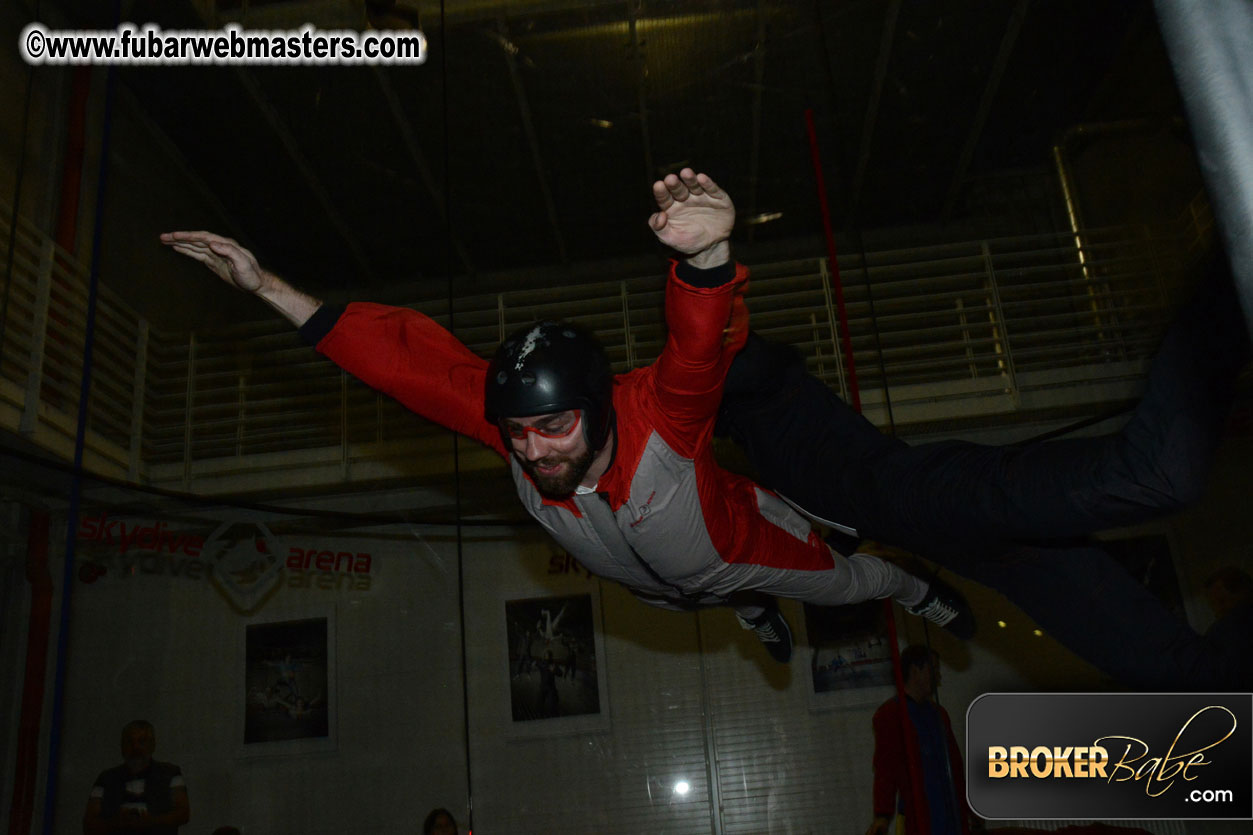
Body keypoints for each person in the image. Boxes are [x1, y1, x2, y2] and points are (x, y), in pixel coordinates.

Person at [162, 168, 971, 665]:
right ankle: (746, 611)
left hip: (734, 547)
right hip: (647, 585)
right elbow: (402, 364)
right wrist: (267, 284)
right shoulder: (516, 432)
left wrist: (705, 258)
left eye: (551, 428)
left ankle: (914, 587)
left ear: (593, 407)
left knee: (841, 580)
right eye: (516, 431)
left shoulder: (657, 417)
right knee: (680, 600)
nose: (531, 449)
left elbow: (695, 349)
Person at [715, 250, 1253, 688]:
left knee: (1154, 475)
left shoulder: (764, 393)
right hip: (974, 551)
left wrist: (700, 264)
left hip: (923, 492)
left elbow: (720, 335)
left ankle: (1233, 258)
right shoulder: (757, 451)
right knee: (1186, 676)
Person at [867, 646, 974, 835]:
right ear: (915, 670)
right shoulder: (891, 715)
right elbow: (886, 770)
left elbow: (955, 767)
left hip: (951, 819)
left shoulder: (939, 714)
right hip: (919, 818)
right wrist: (882, 816)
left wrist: (969, 808)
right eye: (933, 668)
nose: (938, 676)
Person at [83, 720, 190, 835]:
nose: (135, 747)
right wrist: (116, 823)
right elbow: (89, 823)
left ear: (152, 745)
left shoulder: (170, 774)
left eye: (142, 741)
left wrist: (153, 821)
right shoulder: (106, 779)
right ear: (122, 746)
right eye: (130, 742)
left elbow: (183, 813)